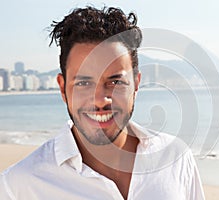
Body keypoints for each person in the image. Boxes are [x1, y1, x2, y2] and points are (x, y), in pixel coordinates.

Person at [0, 6, 205, 200]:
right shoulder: (20, 186)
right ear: (63, 89)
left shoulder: (176, 158)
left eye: (115, 82)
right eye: (84, 82)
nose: (100, 101)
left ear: (136, 84)